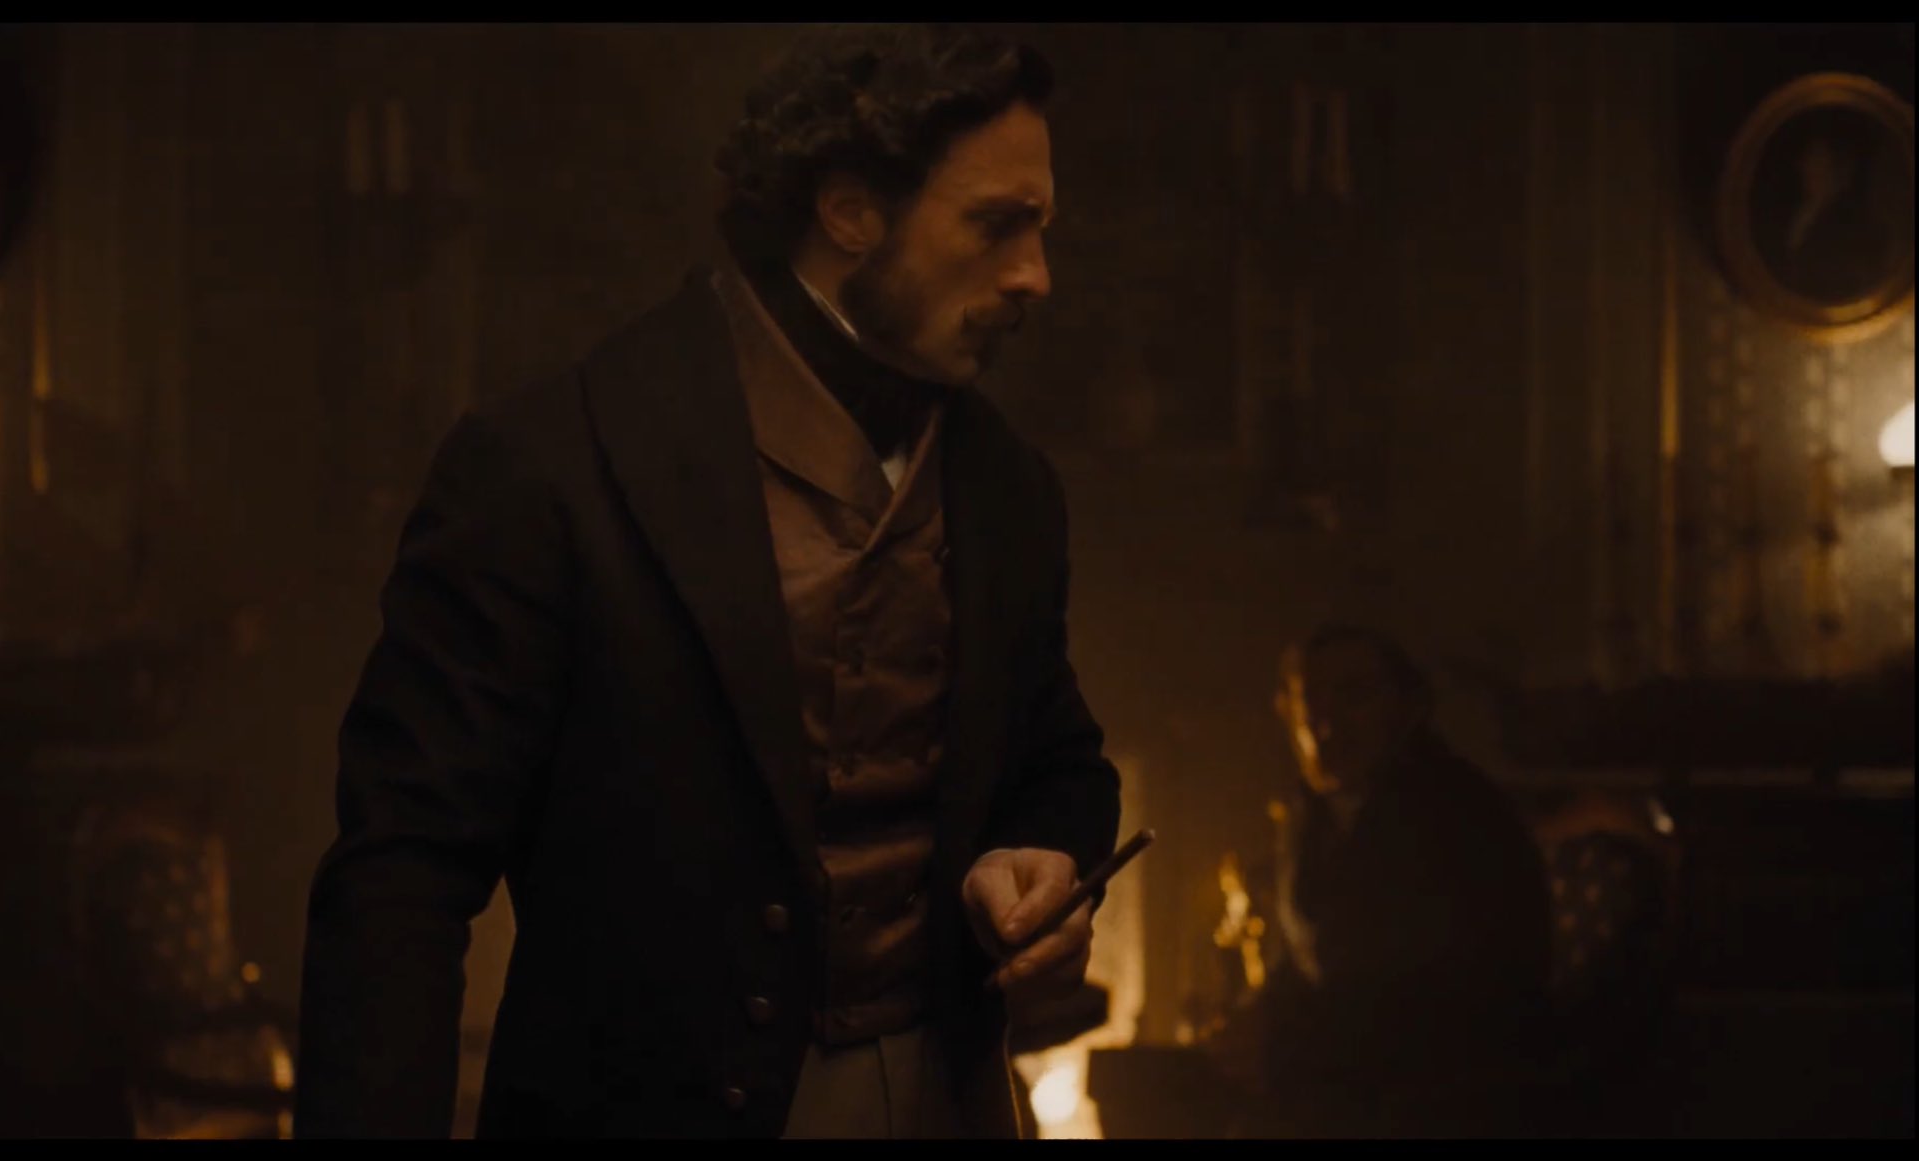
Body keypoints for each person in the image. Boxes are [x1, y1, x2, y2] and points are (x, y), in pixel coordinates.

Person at [294, 25, 1121, 1141]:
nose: (1035, 276)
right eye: (994, 225)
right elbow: (402, 874)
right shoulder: (549, 467)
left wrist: (1041, 853)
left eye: (1041, 227)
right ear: (849, 212)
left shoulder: (1008, 488)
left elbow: (1058, 757)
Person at [1206, 624, 1552, 1137]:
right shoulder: (1310, 815)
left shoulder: (1460, 818)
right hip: (1338, 1075)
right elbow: (1309, 959)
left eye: (1354, 695)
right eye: (1309, 699)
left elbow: (1451, 1000)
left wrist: (1292, 1043)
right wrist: (1256, 1019)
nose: (1326, 722)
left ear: (1407, 707)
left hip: (1445, 1093)